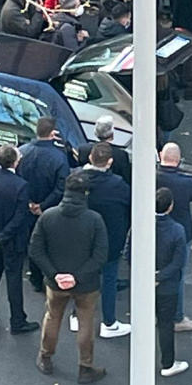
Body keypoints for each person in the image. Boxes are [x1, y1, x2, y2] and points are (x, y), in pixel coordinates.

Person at [29, 171, 108, 382]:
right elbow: (100, 255)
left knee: (52, 317)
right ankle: (85, 367)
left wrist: (55, 275)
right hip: (86, 284)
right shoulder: (94, 220)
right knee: (85, 324)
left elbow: (36, 250)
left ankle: (45, 357)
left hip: (55, 284)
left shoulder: (48, 216)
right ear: (86, 193)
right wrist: (77, 277)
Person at [0, 144, 39, 333]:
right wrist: (1, 237)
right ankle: (18, 320)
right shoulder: (21, 186)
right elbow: (20, 218)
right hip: (11, 241)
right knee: (13, 280)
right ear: (16, 161)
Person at [82, 142, 132, 339]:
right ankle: (109, 322)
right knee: (109, 278)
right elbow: (129, 208)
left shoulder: (78, 179)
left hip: (83, 237)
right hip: (111, 238)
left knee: (84, 274)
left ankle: (77, 316)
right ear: (109, 162)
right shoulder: (118, 185)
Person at [19, 117, 72, 292]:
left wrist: (29, 203)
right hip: (49, 208)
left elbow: (16, 180)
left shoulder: (22, 152)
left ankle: (34, 278)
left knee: (31, 241)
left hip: (26, 205)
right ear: (52, 133)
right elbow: (61, 186)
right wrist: (43, 206)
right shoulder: (59, 156)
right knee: (48, 244)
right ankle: (48, 277)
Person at [156, 142, 192, 333]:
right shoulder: (184, 183)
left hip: (153, 230)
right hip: (180, 233)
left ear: (161, 156)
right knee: (177, 276)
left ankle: (153, 312)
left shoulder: (152, 176)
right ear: (178, 159)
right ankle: (177, 317)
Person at [154, 187, 190, 378]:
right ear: (170, 207)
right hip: (167, 286)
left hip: (144, 285)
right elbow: (178, 262)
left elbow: (129, 253)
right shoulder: (177, 230)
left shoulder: (140, 224)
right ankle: (168, 363)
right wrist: (159, 277)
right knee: (165, 324)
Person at [76, 116, 130, 184]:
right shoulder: (121, 155)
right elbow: (127, 180)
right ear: (112, 134)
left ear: (95, 133)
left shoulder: (83, 150)